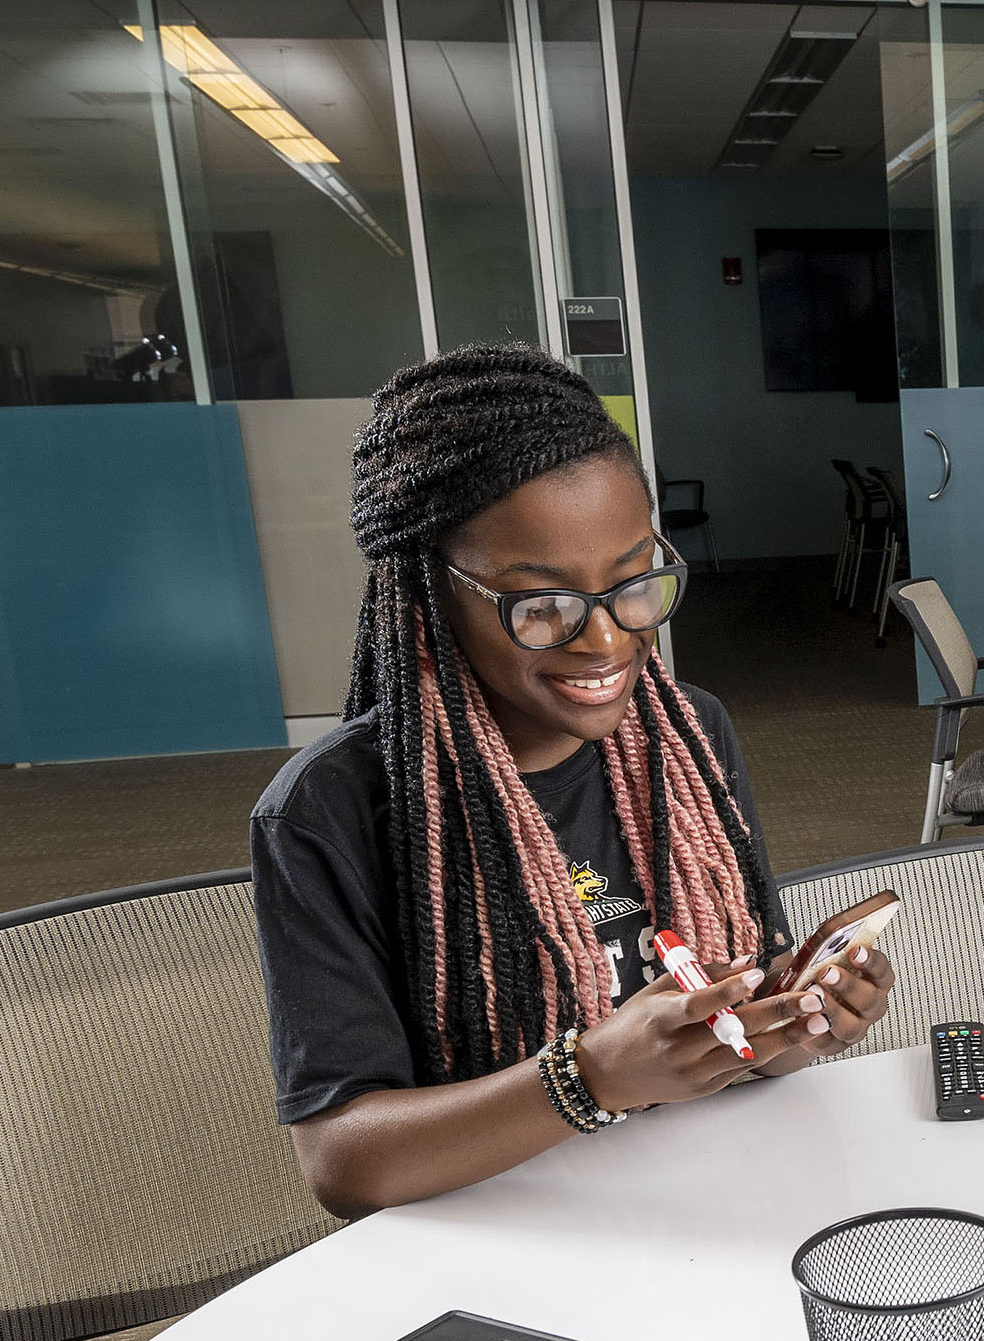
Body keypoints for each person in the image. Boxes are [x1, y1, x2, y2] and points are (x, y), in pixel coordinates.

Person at [251, 345, 895, 1217]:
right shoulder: (330, 812)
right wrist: (587, 1077)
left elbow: (741, 1022)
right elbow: (344, 1162)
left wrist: (798, 1018)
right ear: (432, 594)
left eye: (634, 583)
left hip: (707, 1202)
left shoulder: (690, 737)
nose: (604, 641)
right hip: (499, 1237)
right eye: (542, 605)